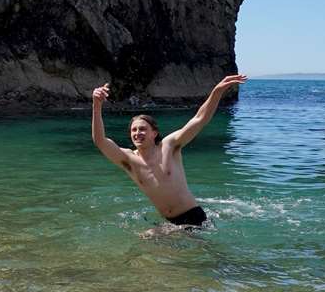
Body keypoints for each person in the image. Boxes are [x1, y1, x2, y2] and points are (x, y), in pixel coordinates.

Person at [90, 74, 248, 227]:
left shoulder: (169, 146)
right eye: (134, 130)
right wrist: (96, 106)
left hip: (194, 217)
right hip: (171, 222)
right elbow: (100, 141)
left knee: (150, 240)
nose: (138, 133)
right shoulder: (129, 160)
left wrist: (217, 91)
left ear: (154, 133)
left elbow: (199, 119)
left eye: (143, 129)